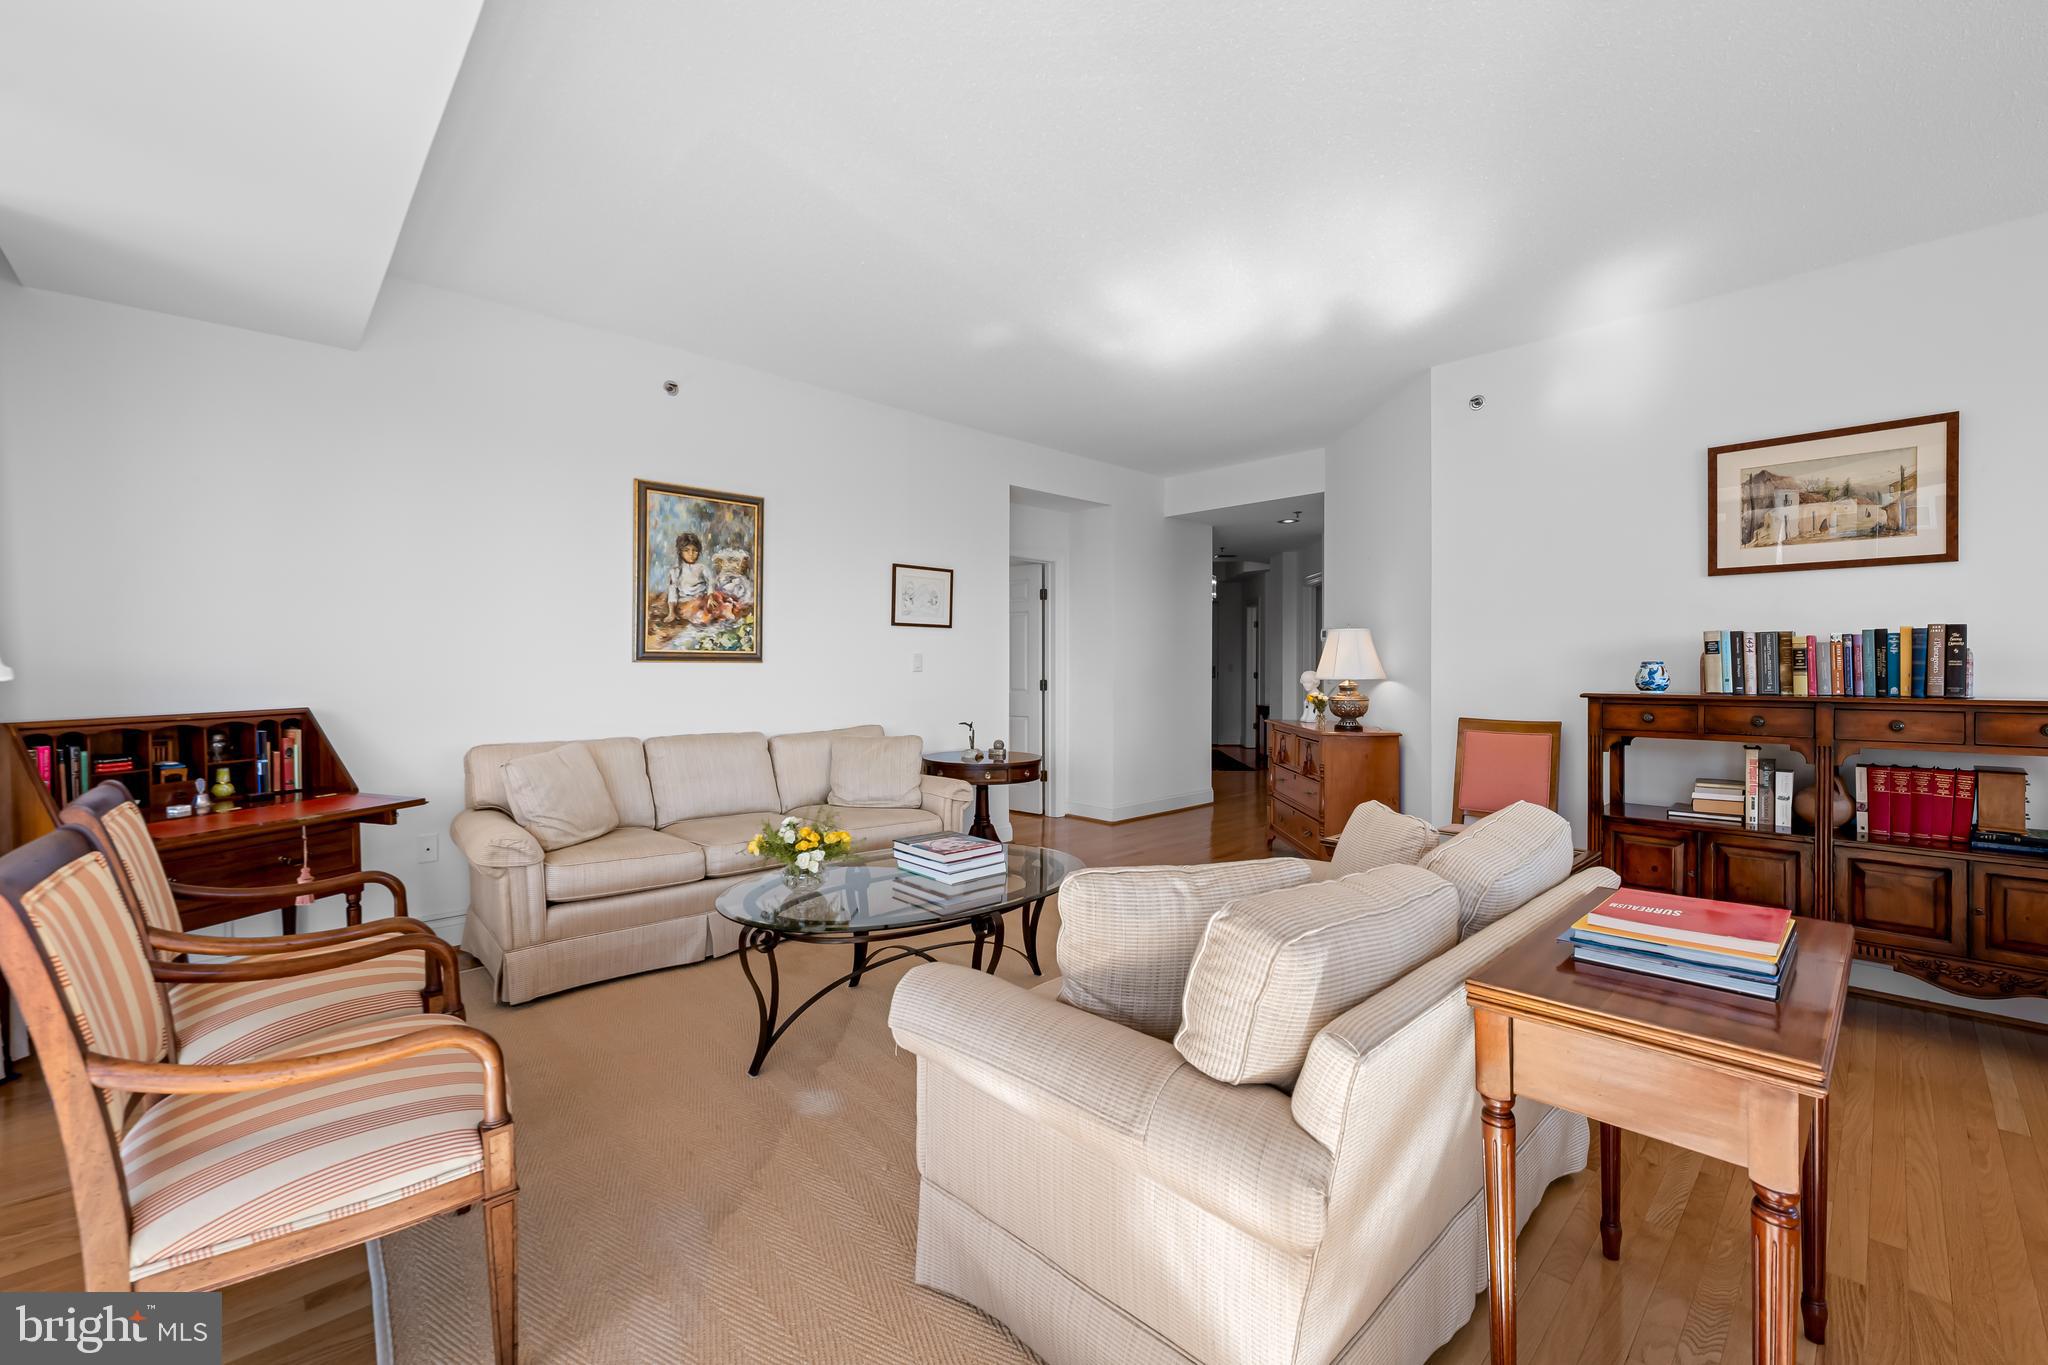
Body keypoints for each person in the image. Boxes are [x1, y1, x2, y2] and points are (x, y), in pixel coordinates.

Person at [666, 533, 716, 625]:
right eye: (686, 550)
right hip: (686, 603)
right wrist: (671, 612)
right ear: (680, 552)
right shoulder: (676, 570)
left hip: (703, 599)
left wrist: (711, 596)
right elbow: (672, 591)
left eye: (695, 551)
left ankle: (704, 613)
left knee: (716, 604)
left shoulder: (702, 568)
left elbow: (711, 582)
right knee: (696, 609)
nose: (691, 554)